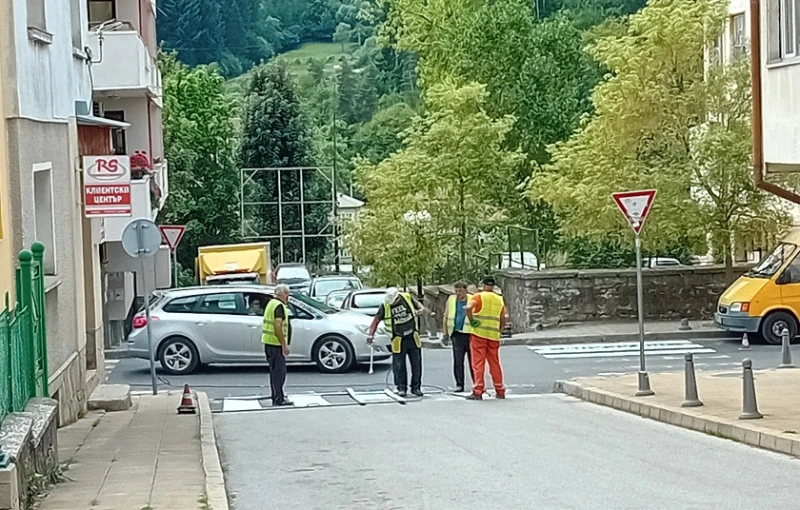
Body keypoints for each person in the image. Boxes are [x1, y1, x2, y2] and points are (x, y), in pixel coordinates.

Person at [367, 287, 425, 397]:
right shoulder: (385, 305)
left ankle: (416, 388)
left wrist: (421, 310)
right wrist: (371, 334)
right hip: (397, 338)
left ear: (398, 297)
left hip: (413, 336)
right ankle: (401, 388)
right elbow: (376, 321)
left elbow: (419, 306)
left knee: (416, 365)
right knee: (399, 365)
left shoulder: (407, 297)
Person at [466, 276, 507, 400]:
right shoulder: (499, 299)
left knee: (478, 363)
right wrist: (499, 330)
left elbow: (468, 308)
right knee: (494, 363)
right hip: (493, 336)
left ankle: (478, 390)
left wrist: (472, 320)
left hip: (479, 334)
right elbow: (503, 319)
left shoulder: (478, 297)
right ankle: (500, 390)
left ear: (482, 284)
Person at [262, 285, 293, 406]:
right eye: (287, 294)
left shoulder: (271, 303)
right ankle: (278, 398)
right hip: (275, 344)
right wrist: (284, 345)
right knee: (279, 373)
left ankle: (276, 396)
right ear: (282, 294)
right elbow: (277, 326)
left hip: (269, 342)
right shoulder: (279, 306)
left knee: (274, 372)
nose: (288, 297)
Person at [442, 282, 474, 392]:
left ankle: (477, 383)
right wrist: (445, 334)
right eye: (456, 291)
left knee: (473, 361)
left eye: (460, 291)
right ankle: (459, 384)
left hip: (470, 334)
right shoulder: (451, 300)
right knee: (458, 361)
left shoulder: (472, 299)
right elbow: (446, 316)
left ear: (465, 290)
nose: (458, 293)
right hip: (456, 334)